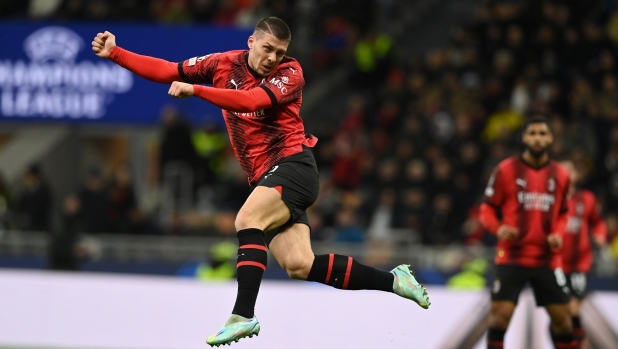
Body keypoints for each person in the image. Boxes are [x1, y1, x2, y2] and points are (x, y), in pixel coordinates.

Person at [92, 16, 430, 347]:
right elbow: (168, 69)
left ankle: (242, 315)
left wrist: (197, 91)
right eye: (268, 49)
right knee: (299, 265)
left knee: (246, 219)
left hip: (293, 166)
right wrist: (117, 54)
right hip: (267, 177)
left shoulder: (290, 74)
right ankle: (395, 280)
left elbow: (252, 101)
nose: (272, 58)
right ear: (251, 42)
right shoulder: (222, 64)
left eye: (279, 52)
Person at [479, 116, 576, 349]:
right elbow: (486, 209)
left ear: (551, 138)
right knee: (500, 316)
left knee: (564, 321)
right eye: (532, 133)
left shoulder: (561, 174)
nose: (537, 138)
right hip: (511, 255)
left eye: (543, 133)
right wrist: (498, 228)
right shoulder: (505, 169)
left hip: (548, 259)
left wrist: (559, 233)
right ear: (524, 137)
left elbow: (564, 212)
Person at [559, 160, 607, 349]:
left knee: (574, 309)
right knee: (559, 316)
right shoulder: (550, 201)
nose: (566, 174)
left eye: (569, 170)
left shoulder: (586, 199)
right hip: (556, 266)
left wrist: (600, 235)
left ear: (577, 175)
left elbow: (597, 222)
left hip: (579, 264)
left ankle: (579, 345)